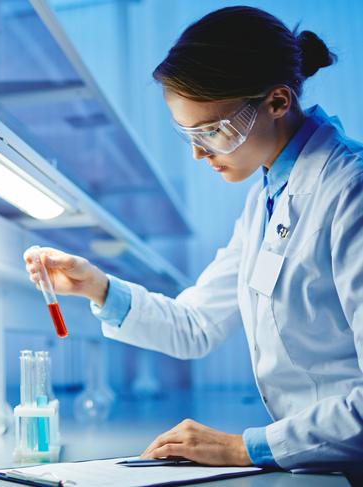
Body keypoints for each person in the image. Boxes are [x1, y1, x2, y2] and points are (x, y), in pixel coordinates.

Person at [24, 6, 363, 471]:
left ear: (278, 102)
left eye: (214, 130)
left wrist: (244, 448)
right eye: (188, 133)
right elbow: (196, 326)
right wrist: (97, 287)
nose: (200, 152)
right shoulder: (266, 200)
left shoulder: (350, 190)